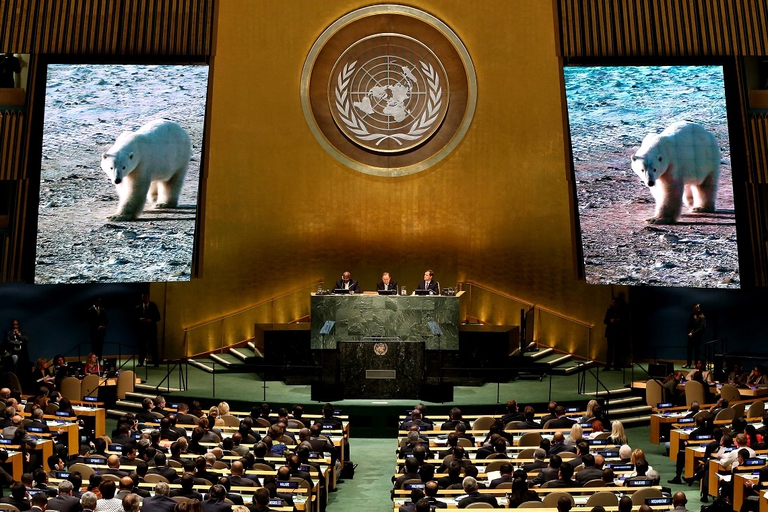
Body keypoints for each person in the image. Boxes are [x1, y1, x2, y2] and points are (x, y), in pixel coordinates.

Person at [136, 293, 161, 367]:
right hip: (142, 330)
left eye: (145, 297)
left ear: (148, 298)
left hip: (151, 330)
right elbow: (134, 318)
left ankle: (155, 362)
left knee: (153, 346)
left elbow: (158, 317)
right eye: (143, 297)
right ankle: (140, 362)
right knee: (142, 347)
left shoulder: (153, 306)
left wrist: (150, 320)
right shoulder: (138, 308)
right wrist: (140, 319)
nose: (144, 298)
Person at [603, 296, 628, 370]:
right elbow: (605, 321)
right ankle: (608, 365)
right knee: (609, 350)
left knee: (618, 350)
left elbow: (625, 320)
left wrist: (619, 320)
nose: (614, 304)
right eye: (613, 302)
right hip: (610, 332)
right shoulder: (609, 311)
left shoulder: (622, 311)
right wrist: (611, 321)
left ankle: (617, 365)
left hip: (619, 332)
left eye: (615, 302)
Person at [685, 303, 706, 368]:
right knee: (689, 349)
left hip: (697, 336)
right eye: (694, 308)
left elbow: (701, 327)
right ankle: (688, 363)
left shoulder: (702, 317)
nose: (695, 309)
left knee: (696, 350)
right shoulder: (692, 315)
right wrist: (689, 332)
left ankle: (696, 364)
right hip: (691, 335)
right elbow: (689, 325)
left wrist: (693, 333)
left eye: (696, 308)